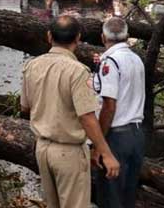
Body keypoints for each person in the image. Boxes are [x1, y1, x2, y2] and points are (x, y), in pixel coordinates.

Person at [21, 15, 120, 208]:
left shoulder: (32, 66)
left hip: (42, 149)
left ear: (49, 36)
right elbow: (87, 117)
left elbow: (24, 106)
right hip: (69, 152)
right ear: (78, 38)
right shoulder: (78, 72)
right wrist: (105, 152)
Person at [92, 17, 146, 208]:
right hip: (136, 134)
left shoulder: (110, 61)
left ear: (102, 37)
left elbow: (109, 105)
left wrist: (99, 144)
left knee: (110, 197)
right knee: (128, 197)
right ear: (127, 37)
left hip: (115, 137)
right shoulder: (136, 59)